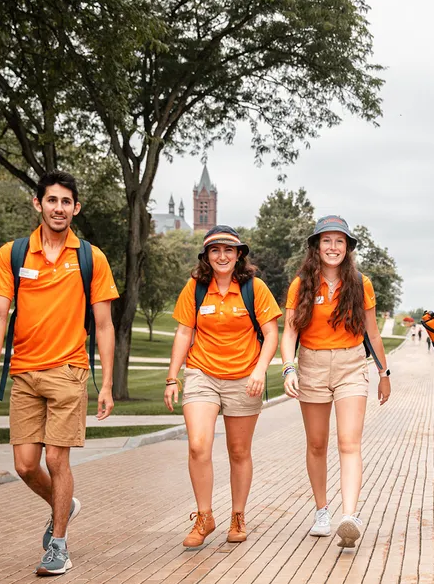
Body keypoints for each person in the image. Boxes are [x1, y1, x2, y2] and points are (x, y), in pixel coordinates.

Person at [0, 170, 119, 576]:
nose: (59, 208)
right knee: (25, 465)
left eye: (66, 202)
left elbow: (105, 325)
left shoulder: (91, 258)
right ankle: (65, 505)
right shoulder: (14, 254)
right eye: (51, 200)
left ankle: (58, 545)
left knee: (58, 460)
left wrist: (106, 383)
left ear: (76, 208)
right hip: (23, 373)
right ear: (37, 204)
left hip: (69, 371)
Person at [164, 226, 281, 549]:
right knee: (198, 446)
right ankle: (204, 516)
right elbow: (184, 333)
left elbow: (271, 334)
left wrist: (260, 371)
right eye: (215, 250)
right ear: (206, 256)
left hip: (245, 377)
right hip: (202, 373)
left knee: (239, 451)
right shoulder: (196, 288)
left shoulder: (254, 288)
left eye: (229, 250)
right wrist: (172, 377)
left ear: (239, 254)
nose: (222, 256)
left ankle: (238, 515)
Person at [282, 215, 391, 549]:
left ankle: (349, 516)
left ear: (348, 247)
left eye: (339, 241)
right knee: (316, 444)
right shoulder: (301, 284)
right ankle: (321, 511)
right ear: (317, 246)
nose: (333, 247)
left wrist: (384, 373)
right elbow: (289, 332)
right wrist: (289, 368)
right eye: (326, 241)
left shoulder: (360, 282)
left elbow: (372, 332)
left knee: (349, 442)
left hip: (351, 365)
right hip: (312, 365)